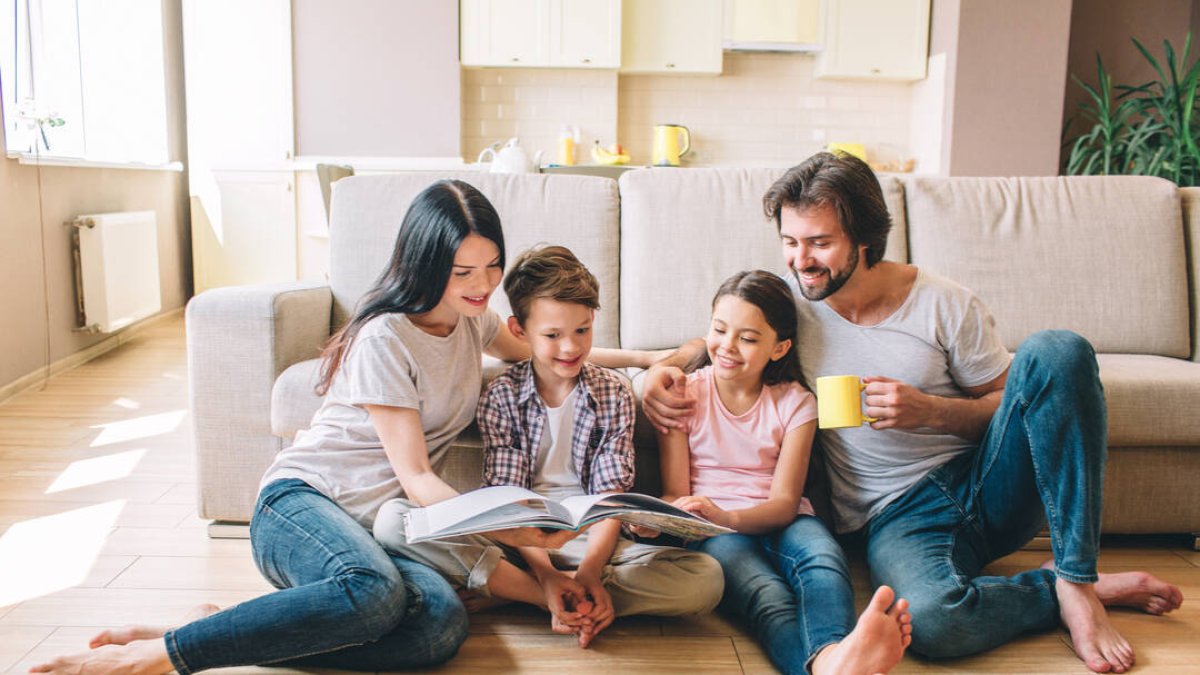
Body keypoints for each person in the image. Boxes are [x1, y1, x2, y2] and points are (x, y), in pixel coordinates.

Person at [30, 181, 647, 674]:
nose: (484, 285)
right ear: (428, 264)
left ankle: (223, 623)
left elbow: (554, 352)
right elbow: (417, 479)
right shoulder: (385, 336)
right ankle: (164, 654)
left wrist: (654, 361)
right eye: (463, 272)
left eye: (491, 266)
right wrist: (520, 534)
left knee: (439, 629)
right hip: (303, 506)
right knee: (373, 595)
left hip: (372, 533)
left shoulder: (471, 322)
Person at [642, 152, 1184, 674]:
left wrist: (933, 412)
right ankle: (1051, 591)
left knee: (1057, 350)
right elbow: (722, 334)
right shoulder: (799, 300)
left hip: (984, 485)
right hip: (896, 515)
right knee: (932, 623)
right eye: (789, 241)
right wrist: (660, 371)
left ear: (865, 240)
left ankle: (1077, 580)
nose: (801, 260)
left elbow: (1015, 403)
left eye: (819, 243)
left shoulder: (945, 305)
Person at [374, 245, 725, 649]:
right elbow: (505, 501)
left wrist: (591, 571)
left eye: (582, 330)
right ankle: (545, 596)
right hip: (517, 539)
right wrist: (544, 576)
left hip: (590, 543)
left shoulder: (614, 392)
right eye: (553, 335)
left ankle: (524, 594)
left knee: (706, 579)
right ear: (519, 331)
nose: (571, 348)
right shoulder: (502, 395)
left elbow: (610, 499)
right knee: (394, 521)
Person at [639, 269, 911, 675]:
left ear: (780, 347)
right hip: (714, 531)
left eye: (748, 339)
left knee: (822, 559)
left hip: (778, 518)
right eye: (719, 330)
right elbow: (678, 492)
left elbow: (785, 505)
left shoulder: (797, 403)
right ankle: (831, 664)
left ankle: (833, 657)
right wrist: (661, 517)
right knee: (766, 595)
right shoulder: (683, 396)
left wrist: (729, 516)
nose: (728, 347)